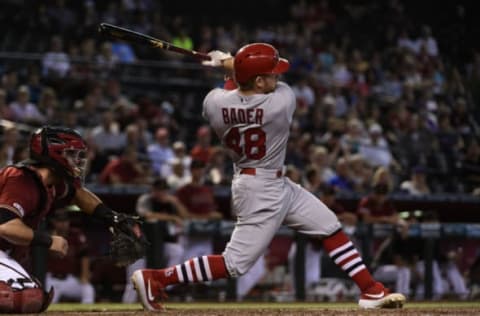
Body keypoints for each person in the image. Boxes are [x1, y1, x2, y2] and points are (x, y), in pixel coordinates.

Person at [131, 43, 405, 310]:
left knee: (329, 225)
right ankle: (157, 278)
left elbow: (229, 92)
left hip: (267, 181)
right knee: (234, 263)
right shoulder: (281, 103)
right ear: (259, 81)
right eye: (271, 73)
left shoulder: (213, 104)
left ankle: (370, 289)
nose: (278, 76)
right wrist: (229, 64)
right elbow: (252, 87)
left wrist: (229, 70)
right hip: (260, 189)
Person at [0, 126, 141, 313]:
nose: (79, 160)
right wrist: (49, 240)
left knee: (33, 298)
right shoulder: (22, 179)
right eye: (72, 153)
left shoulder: (51, 184)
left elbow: (78, 195)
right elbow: (5, 225)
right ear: (54, 153)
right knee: (24, 297)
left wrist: (111, 217)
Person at [122, 178, 190, 303]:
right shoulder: (145, 199)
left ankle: (165, 283)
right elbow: (146, 215)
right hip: (138, 244)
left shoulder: (170, 202)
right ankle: (127, 307)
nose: (161, 193)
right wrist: (171, 218)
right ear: (153, 190)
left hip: (158, 245)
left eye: (164, 190)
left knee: (177, 251)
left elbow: (185, 216)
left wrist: (175, 202)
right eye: (158, 190)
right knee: (134, 281)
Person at [45, 208, 95, 304]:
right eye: (59, 221)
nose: (63, 224)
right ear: (53, 222)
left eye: (65, 220)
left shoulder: (75, 235)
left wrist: (84, 275)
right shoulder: (46, 236)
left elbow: (84, 255)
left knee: (88, 289)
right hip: (51, 280)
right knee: (48, 305)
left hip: (69, 280)